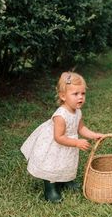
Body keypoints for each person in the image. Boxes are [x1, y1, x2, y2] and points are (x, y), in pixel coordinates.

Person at [21, 71, 103, 203]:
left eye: (83, 93)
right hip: (56, 146)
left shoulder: (78, 112)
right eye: (75, 94)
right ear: (63, 96)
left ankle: (65, 180)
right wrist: (76, 143)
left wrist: (94, 135)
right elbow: (58, 137)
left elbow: (81, 128)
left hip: (69, 144)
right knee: (53, 165)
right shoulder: (60, 115)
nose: (80, 97)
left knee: (66, 162)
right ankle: (51, 188)